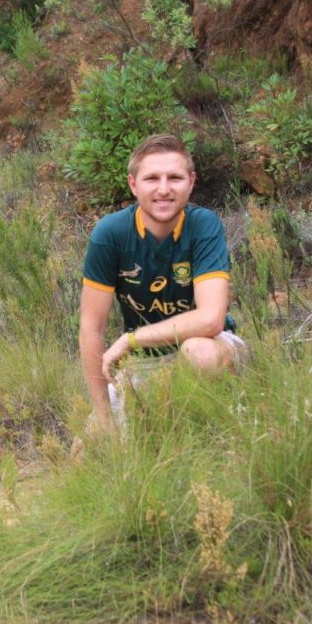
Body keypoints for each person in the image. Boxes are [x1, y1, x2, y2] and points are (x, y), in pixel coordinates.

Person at [78, 134, 244, 435]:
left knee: (198, 354)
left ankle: (219, 432)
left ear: (191, 182)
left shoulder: (203, 226)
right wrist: (103, 415)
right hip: (145, 362)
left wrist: (130, 340)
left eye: (175, 178)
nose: (164, 189)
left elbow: (211, 319)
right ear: (133, 184)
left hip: (211, 346)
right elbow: (91, 328)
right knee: (92, 448)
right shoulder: (110, 234)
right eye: (152, 178)